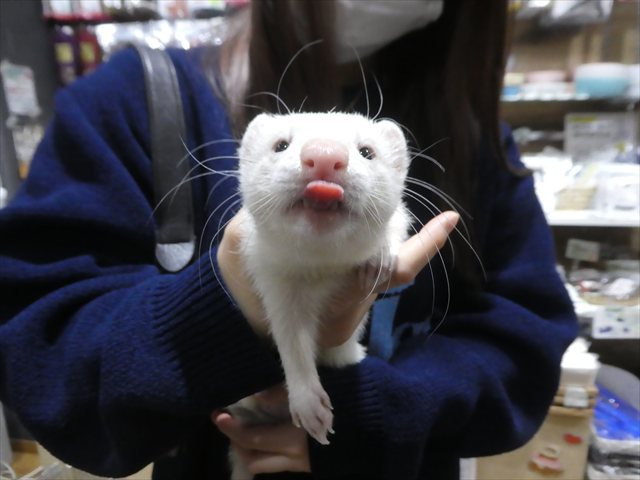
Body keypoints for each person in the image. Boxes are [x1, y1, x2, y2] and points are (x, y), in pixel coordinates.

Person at [0, 1, 578, 479]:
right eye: (283, 148)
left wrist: (381, 412)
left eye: (367, 153)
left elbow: (525, 347)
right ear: (246, 155)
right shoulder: (131, 99)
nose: (324, 159)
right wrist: (224, 304)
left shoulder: (473, 135)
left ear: (398, 165)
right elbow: (43, 360)